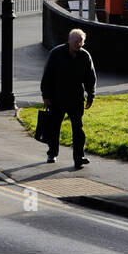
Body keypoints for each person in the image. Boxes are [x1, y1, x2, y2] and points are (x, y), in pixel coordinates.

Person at [40, 28, 97, 168]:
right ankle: (52, 153)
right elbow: (47, 75)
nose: (78, 44)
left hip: (76, 98)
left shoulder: (85, 56)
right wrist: (45, 95)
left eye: (80, 41)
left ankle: (79, 157)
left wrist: (91, 96)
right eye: (75, 41)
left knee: (78, 129)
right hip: (56, 98)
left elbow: (90, 78)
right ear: (69, 40)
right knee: (54, 127)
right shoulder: (56, 53)